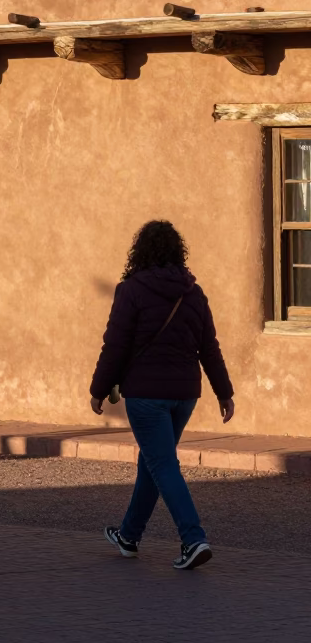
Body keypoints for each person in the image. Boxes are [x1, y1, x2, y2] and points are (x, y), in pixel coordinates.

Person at [89, 219, 234, 571]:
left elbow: (116, 345)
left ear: (139, 252)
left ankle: (193, 538)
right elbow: (208, 348)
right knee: (153, 463)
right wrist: (224, 392)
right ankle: (129, 535)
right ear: (177, 253)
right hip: (185, 394)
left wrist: (97, 389)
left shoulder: (131, 290)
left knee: (162, 464)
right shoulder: (193, 293)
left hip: (146, 394)